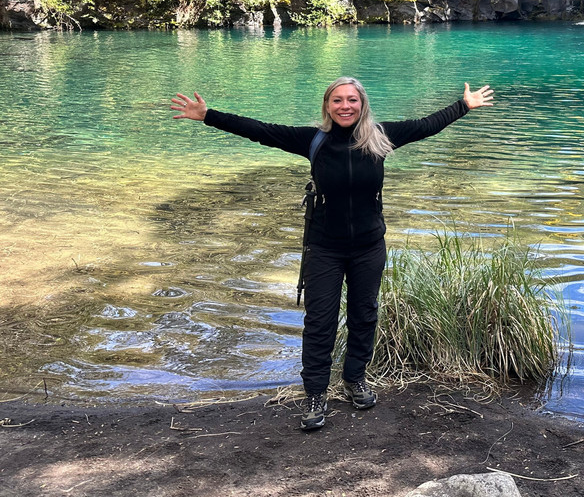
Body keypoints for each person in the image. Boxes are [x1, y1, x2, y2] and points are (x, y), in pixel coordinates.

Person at [170, 78, 494, 431]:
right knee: (320, 321)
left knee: (364, 315)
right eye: (337, 100)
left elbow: (427, 125)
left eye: (351, 100)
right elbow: (259, 130)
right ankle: (315, 394)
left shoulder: (381, 137)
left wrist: (464, 105)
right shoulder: (313, 141)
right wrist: (208, 116)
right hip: (324, 247)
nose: (345, 106)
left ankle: (355, 379)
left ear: (362, 104)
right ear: (327, 106)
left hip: (369, 247)